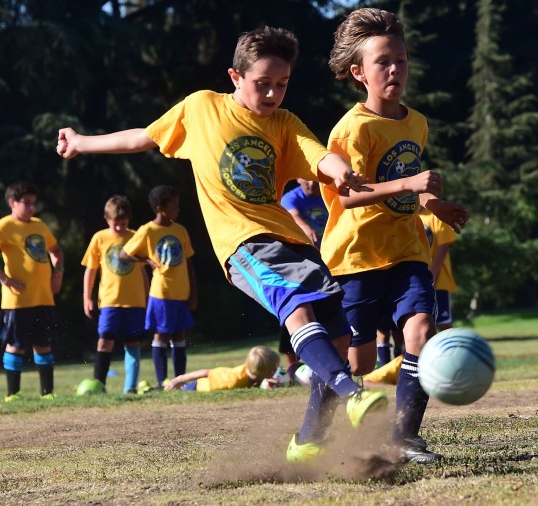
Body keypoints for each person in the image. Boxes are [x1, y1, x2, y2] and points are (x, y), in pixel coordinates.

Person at [55, 26, 387, 463]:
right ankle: (351, 394)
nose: (272, 94)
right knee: (297, 310)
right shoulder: (201, 108)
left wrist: (338, 167)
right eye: (262, 83)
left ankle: (309, 439)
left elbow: (316, 154)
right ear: (235, 76)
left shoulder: (284, 124)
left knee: (340, 338)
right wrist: (82, 142)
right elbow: (143, 137)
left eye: (281, 84)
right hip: (243, 245)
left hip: (290, 241)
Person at [322, 8, 468, 464]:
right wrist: (410, 185)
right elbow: (348, 198)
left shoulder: (416, 122)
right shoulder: (352, 128)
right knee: (358, 363)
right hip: (357, 257)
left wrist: (433, 205)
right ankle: (316, 434)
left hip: (407, 251)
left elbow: (409, 187)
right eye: (383, 61)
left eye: (401, 60)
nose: (395, 70)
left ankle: (404, 437)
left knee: (422, 331)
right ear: (358, 72)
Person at [0, 181, 64, 401]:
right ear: (12, 203)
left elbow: (56, 250)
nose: (32, 208)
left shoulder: (39, 225)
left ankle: (47, 393)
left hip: (43, 296)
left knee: (43, 344)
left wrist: (58, 271)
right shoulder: (4, 226)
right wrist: (3, 277)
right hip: (17, 300)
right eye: (27, 203)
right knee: (15, 346)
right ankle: (13, 394)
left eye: (34, 203)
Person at [119, 185, 196, 389]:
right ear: (161, 208)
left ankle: (180, 380)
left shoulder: (180, 230)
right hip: (161, 292)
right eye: (174, 206)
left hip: (181, 292)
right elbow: (124, 254)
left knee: (179, 335)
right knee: (161, 334)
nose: (177, 210)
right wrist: (147, 260)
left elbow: (189, 263)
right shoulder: (148, 230)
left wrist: (193, 293)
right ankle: (163, 381)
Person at [81, 195, 149, 394]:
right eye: (115, 224)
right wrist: (87, 297)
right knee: (105, 341)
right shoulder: (99, 238)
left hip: (135, 301)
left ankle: (130, 388)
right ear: (106, 219)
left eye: (124, 223)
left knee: (133, 342)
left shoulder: (136, 236)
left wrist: (147, 296)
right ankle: (99, 385)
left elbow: (143, 270)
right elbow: (91, 270)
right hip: (109, 301)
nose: (119, 228)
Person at [277, 178, 329, 373]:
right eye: (305, 178)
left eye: (314, 178)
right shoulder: (291, 197)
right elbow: (293, 215)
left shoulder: (327, 193)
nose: (311, 182)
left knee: (327, 311)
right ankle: (292, 367)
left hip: (330, 261)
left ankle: (328, 361)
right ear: (298, 178)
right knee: (295, 308)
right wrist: (306, 227)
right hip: (300, 263)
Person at [163, 345, 279, 392]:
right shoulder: (233, 379)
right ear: (261, 372)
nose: (276, 370)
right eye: (273, 369)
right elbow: (206, 373)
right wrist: (178, 380)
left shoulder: (251, 370)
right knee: (180, 389)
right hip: (196, 387)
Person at [419, 208, 458, 332]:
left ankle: (452, 350)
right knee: (419, 322)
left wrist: (432, 278)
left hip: (438, 281)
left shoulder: (436, 215)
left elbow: (443, 249)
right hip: (415, 280)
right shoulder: (407, 216)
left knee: (443, 322)